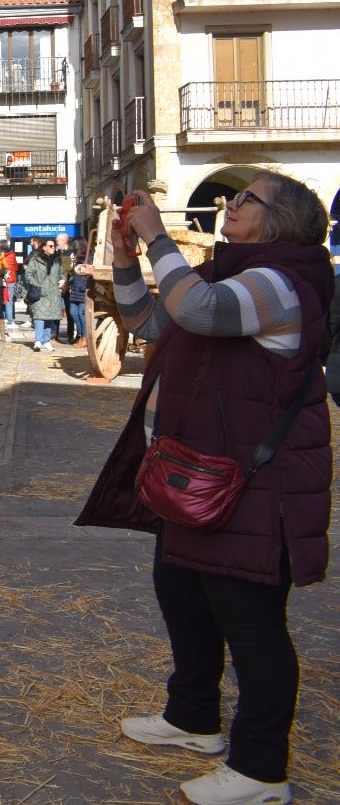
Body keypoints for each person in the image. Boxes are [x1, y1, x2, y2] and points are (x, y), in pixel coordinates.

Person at [76, 174, 332, 805]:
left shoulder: (281, 281)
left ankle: (261, 771)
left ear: (281, 222)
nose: (231, 204)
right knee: (183, 591)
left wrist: (159, 233)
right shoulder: (230, 273)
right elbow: (150, 321)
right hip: (203, 476)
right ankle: (193, 718)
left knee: (252, 625)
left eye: (247, 199)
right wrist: (127, 255)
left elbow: (197, 311)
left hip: (255, 486)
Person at [21, 237, 66, 352]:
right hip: (40, 293)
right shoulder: (35, 260)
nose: (53, 248)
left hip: (54, 294)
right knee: (40, 317)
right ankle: (38, 341)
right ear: (44, 247)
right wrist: (37, 284)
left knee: (49, 318)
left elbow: (62, 273)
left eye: (54, 246)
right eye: (50, 246)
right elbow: (28, 274)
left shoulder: (57, 260)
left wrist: (62, 280)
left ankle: (46, 341)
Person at [67, 237, 90, 347]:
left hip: (83, 290)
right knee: (73, 313)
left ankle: (84, 338)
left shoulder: (88, 259)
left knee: (81, 314)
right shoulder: (76, 261)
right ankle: (81, 335)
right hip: (75, 290)